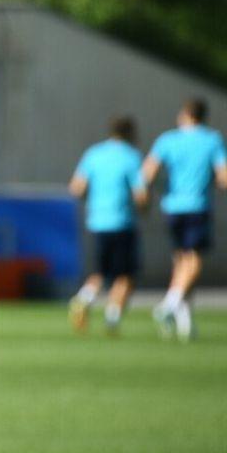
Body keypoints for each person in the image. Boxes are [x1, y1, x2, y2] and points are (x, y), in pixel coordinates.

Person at [142, 98, 227, 341]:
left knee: (181, 262)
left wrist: (157, 190)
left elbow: (147, 173)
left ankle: (185, 323)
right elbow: (223, 176)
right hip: (197, 205)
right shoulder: (212, 140)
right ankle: (169, 305)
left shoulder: (168, 140)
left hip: (172, 206)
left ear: (186, 114)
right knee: (194, 260)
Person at [67, 116, 148, 335]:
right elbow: (141, 194)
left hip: (97, 221)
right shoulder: (132, 157)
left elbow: (76, 188)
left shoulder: (94, 154)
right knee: (125, 275)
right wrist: (144, 210)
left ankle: (82, 298)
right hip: (122, 222)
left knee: (101, 271)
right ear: (131, 133)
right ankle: (112, 319)